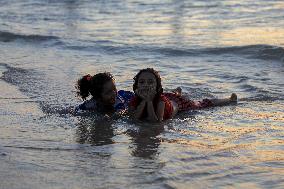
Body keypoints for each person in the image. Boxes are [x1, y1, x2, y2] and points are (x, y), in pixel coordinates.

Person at [129, 68, 237, 122]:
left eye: (150, 82)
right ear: (136, 86)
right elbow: (134, 118)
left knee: (201, 104)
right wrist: (144, 101)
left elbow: (155, 121)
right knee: (172, 95)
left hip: (177, 104)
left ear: (157, 87)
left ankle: (229, 99)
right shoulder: (135, 100)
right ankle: (177, 92)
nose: (146, 85)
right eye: (142, 82)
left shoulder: (160, 100)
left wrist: (148, 101)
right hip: (169, 97)